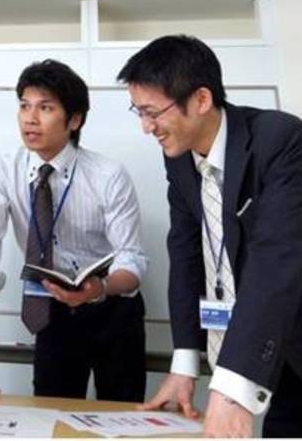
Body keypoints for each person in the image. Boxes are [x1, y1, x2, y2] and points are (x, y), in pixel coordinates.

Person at [0, 60, 148, 401]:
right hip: (52, 309)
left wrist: (98, 287)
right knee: (51, 415)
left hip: (113, 306)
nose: (30, 118)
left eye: (45, 108)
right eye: (24, 106)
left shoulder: (108, 176)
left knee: (121, 415)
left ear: (74, 120)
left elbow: (131, 259)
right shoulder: (1, 173)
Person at [118, 34, 302, 438]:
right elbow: (185, 254)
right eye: (139, 112)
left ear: (201, 99)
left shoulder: (280, 140)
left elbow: (275, 259)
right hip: (263, 349)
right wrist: (184, 363)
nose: (147, 127)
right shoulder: (179, 160)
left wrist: (232, 392)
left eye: (153, 112)